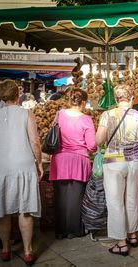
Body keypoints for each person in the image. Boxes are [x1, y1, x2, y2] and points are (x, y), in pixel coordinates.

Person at [0, 79, 43, 265]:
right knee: (24, 209)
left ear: (1, 96)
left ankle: (6, 249)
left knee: (3, 210)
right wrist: (39, 162)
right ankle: (27, 251)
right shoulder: (27, 114)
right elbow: (35, 142)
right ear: (17, 95)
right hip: (23, 165)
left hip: (1, 166)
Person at [96, 85, 138, 256]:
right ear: (132, 98)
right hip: (135, 162)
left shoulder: (108, 115)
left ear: (116, 99)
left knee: (115, 201)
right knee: (132, 199)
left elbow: (98, 140)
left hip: (114, 162)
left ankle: (121, 242)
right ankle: (133, 235)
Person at [49, 89, 96, 239]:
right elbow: (92, 145)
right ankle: (75, 230)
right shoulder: (86, 119)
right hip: (79, 160)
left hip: (59, 160)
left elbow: (52, 134)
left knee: (60, 197)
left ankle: (61, 231)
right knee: (77, 197)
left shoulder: (59, 114)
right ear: (83, 102)